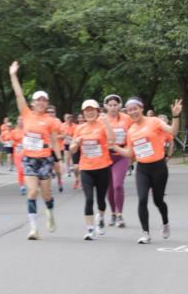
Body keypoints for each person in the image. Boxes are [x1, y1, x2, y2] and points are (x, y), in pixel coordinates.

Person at [111, 97, 182, 244]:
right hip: (142, 168)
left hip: (159, 167)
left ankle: (165, 223)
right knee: (142, 199)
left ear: (141, 108)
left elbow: (173, 131)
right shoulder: (131, 130)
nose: (132, 112)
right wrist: (114, 147)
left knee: (158, 200)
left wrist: (175, 116)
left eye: (135, 109)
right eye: (129, 110)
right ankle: (145, 233)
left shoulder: (154, 121)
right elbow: (130, 153)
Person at [8, 61, 61, 239]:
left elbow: (54, 141)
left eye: (44, 100)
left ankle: (50, 214)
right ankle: (33, 229)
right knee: (32, 192)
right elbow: (18, 94)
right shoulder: (26, 114)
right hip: (29, 158)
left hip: (45, 159)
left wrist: (59, 161)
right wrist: (13, 75)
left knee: (46, 194)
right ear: (32, 103)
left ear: (47, 104)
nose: (41, 102)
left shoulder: (51, 121)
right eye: (38, 100)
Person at [69, 99, 115, 240]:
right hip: (86, 168)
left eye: (92, 110)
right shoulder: (79, 128)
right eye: (86, 110)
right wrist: (76, 144)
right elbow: (72, 149)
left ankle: (100, 218)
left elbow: (112, 140)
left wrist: (106, 122)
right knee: (89, 199)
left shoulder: (103, 125)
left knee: (101, 199)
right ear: (83, 113)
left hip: (103, 167)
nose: (89, 113)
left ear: (97, 111)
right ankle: (90, 229)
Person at [104, 93, 131, 227]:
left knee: (118, 185)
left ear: (120, 105)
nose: (113, 107)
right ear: (106, 106)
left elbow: (133, 133)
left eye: (115, 105)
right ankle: (113, 213)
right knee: (109, 187)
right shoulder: (102, 120)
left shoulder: (127, 118)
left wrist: (130, 152)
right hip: (106, 156)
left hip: (121, 155)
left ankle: (120, 214)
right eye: (110, 105)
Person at [47, 105, 65, 193]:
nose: (50, 114)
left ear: (55, 113)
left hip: (58, 148)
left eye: (52, 112)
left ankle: (59, 180)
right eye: (49, 112)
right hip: (47, 149)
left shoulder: (58, 122)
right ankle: (48, 187)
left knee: (57, 169)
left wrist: (54, 137)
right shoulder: (44, 122)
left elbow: (63, 135)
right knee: (48, 169)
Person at [10, 117, 26, 193]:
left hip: (27, 153)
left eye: (22, 120)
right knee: (20, 170)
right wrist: (17, 143)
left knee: (27, 170)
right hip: (18, 153)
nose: (21, 121)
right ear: (17, 121)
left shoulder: (27, 130)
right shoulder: (14, 132)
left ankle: (31, 184)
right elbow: (11, 142)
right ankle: (22, 186)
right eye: (19, 120)